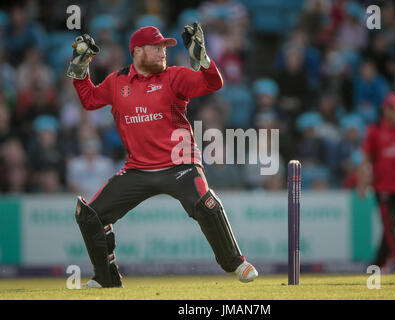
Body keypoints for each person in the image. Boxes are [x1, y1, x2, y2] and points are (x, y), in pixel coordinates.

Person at [66, 23, 258, 288]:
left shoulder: (174, 76)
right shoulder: (117, 81)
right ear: (137, 51)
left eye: (164, 48)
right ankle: (106, 279)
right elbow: (89, 100)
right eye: (156, 48)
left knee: (206, 204)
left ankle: (236, 263)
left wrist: (201, 57)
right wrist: (79, 65)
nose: (162, 53)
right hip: (137, 169)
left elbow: (213, 82)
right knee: (90, 216)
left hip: (181, 165)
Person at [357, 92, 395, 273]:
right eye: (391, 109)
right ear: (384, 110)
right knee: (389, 225)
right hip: (382, 186)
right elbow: (366, 158)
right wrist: (362, 182)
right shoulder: (375, 130)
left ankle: (377, 264)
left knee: (390, 228)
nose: (394, 113)